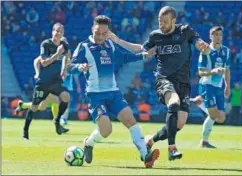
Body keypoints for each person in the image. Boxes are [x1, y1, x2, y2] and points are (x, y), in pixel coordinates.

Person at [107, 6, 211, 161]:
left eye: (165, 22)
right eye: (159, 21)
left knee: (179, 123)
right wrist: (117, 40)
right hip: (164, 80)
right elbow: (140, 49)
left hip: (183, 83)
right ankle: (172, 148)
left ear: (174, 21)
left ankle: (151, 140)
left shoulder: (185, 31)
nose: (161, 24)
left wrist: (203, 47)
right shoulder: (155, 36)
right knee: (173, 103)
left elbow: (198, 42)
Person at [68, 15, 159, 168]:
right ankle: (89, 143)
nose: (101, 36)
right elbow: (70, 67)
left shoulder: (110, 45)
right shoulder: (84, 46)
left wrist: (143, 56)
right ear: (92, 29)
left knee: (130, 120)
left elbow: (124, 57)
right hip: (95, 96)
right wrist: (79, 67)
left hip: (113, 93)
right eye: (98, 32)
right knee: (106, 130)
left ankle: (145, 156)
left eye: (104, 33)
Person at [22, 23, 71, 140]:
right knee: (35, 107)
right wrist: (57, 54)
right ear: (52, 31)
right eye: (57, 31)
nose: (58, 33)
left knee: (66, 97)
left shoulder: (64, 45)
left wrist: (64, 70)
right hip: (43, 82)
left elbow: (67, 56)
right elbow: (44, 62)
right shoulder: (46, 44)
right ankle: (25, 131)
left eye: (61, 32)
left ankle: (57, 121)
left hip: (56, 81)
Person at [192, 26, 231, 147]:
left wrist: (227, 85)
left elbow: (227, 69)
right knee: (214, 115)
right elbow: (200, 72)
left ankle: (199, 103)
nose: (218, 37)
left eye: (220, 34)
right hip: (206, 85)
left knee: (221, 118)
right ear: (211, 36)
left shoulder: (226, 51)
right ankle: (204, 142)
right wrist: (213, 71)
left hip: (218, 86)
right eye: (215, 34)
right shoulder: (206, 51)